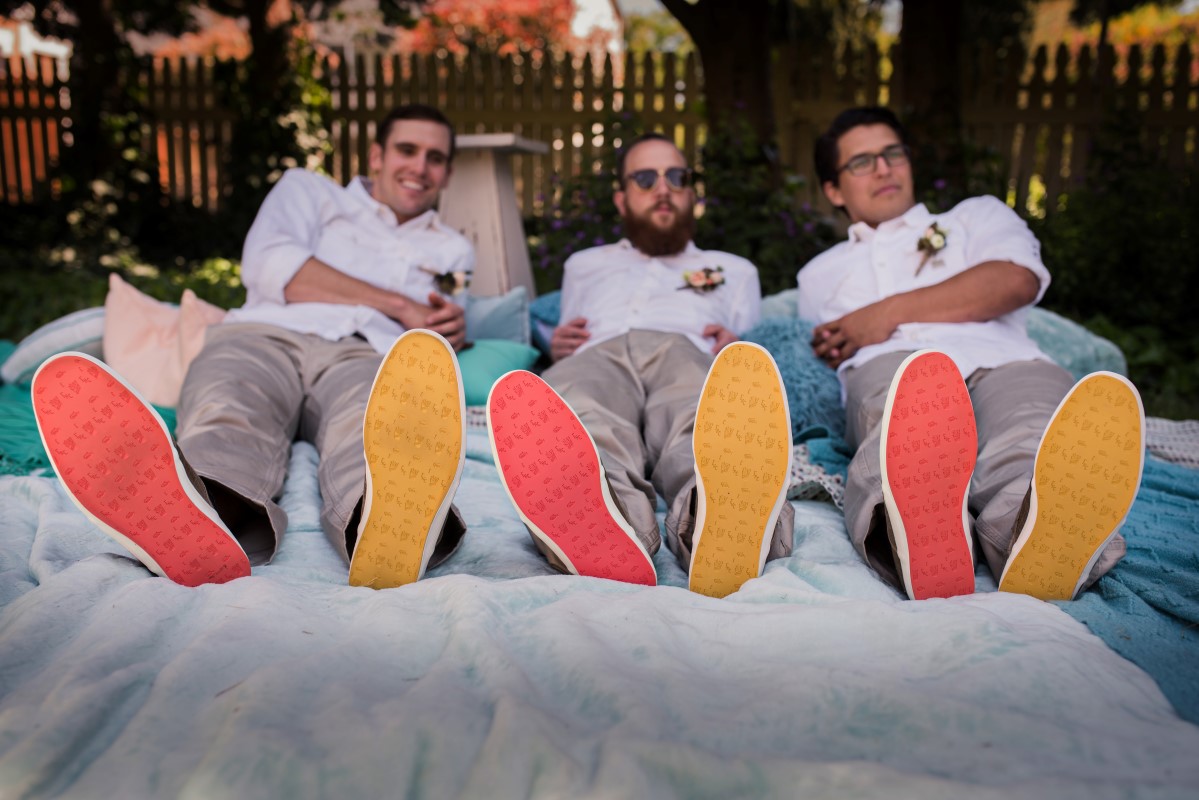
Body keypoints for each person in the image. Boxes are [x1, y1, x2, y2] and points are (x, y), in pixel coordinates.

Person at [32, 104, 474, 590]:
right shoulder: (309, 190)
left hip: (366, 351)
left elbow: (442, 326)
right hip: (265, 334)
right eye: (407, 150)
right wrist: (399, 303)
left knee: (379, 430)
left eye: (435, 158)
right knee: (229, 407)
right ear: (376, 155)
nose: (419, 167)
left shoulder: (454, 248)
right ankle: (207, 511)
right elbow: (269, 265)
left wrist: (452, 325)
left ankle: (385, 524)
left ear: (448, 173)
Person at [796, 106, 1145, 602]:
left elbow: (1014, 279)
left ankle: (1033, 537)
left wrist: (882, 313)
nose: (883, 168)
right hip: (894, 369)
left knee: (1031, 436)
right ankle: (917, 536)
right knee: (897, 425)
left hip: (1004, 359)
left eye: (892, 153)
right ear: (833, 190)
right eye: (861, 162)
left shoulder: (976, 216)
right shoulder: (817, 275)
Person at [486, 133, 794, 598]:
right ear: (621, 198)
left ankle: (718, 516)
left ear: (692, 193)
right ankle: (610, 522)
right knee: (585, 415)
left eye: (677, 177)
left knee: (701, 415)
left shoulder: (735, 269)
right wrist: (559, 340)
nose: (663, 187)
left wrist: (737, 344)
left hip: (686, 350)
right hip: (600, 352)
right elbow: (569, 329)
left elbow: (748, 350)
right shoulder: (583, 265)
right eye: (646, 178)